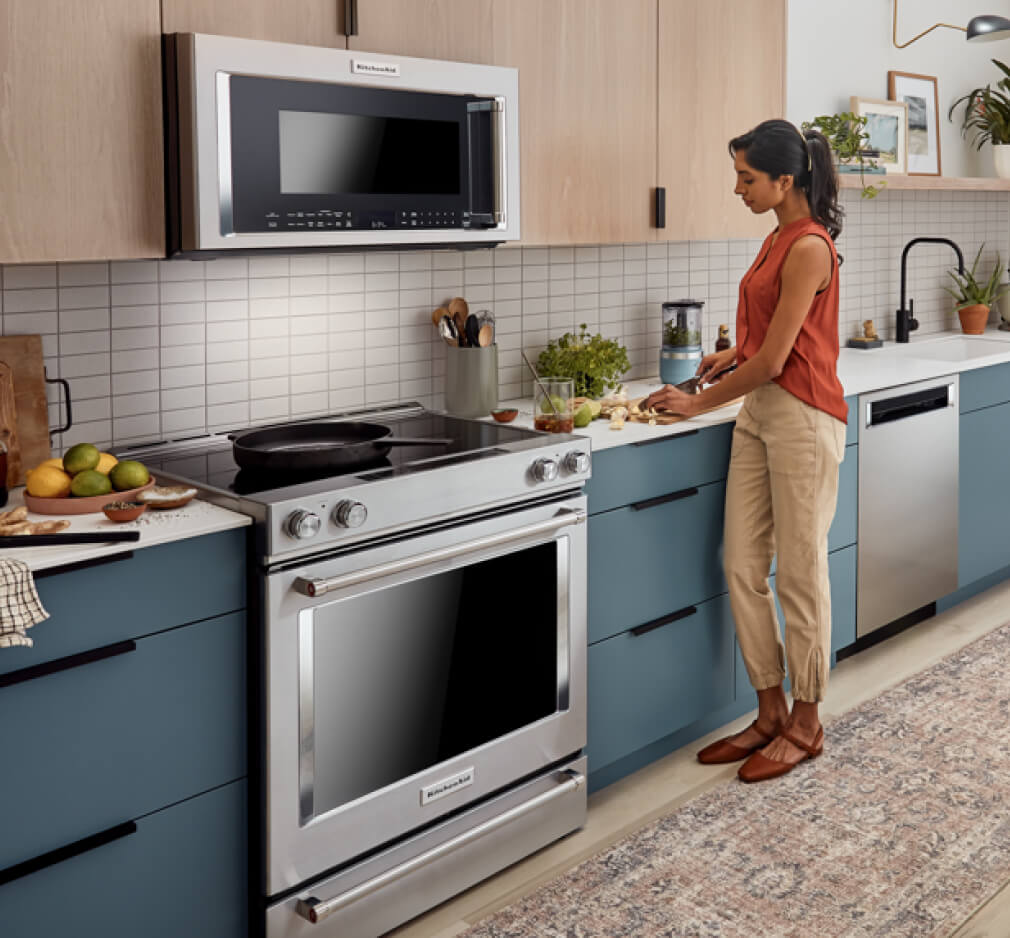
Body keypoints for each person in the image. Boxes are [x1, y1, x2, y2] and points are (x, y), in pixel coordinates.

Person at [644, 119, 847, 783]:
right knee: (740, 564)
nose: (738, 188)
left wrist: (697, 401)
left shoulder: (810, 245)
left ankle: (808, 722)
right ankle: (769, 711)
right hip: (762, 414)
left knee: (799, 572)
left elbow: (782, 360)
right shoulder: (776, 238)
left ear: (784, 180)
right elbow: (767, 343)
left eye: (747, 178)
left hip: (803, 416)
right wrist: (732, 351)